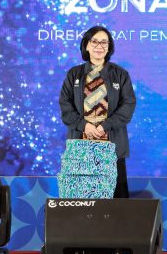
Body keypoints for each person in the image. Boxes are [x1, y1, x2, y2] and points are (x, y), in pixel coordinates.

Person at [59, 26, 137, 198]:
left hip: (111, 146)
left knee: (116, 203)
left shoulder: (120, 74)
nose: (99, 46)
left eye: (104, 42)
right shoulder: (74, 74)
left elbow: (128, 105)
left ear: (109, 47)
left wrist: (105, 126)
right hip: (81, 148)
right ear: (86, 45)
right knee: (82, 200)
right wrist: (84, 126)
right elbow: (65, 106)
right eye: (94, 41)